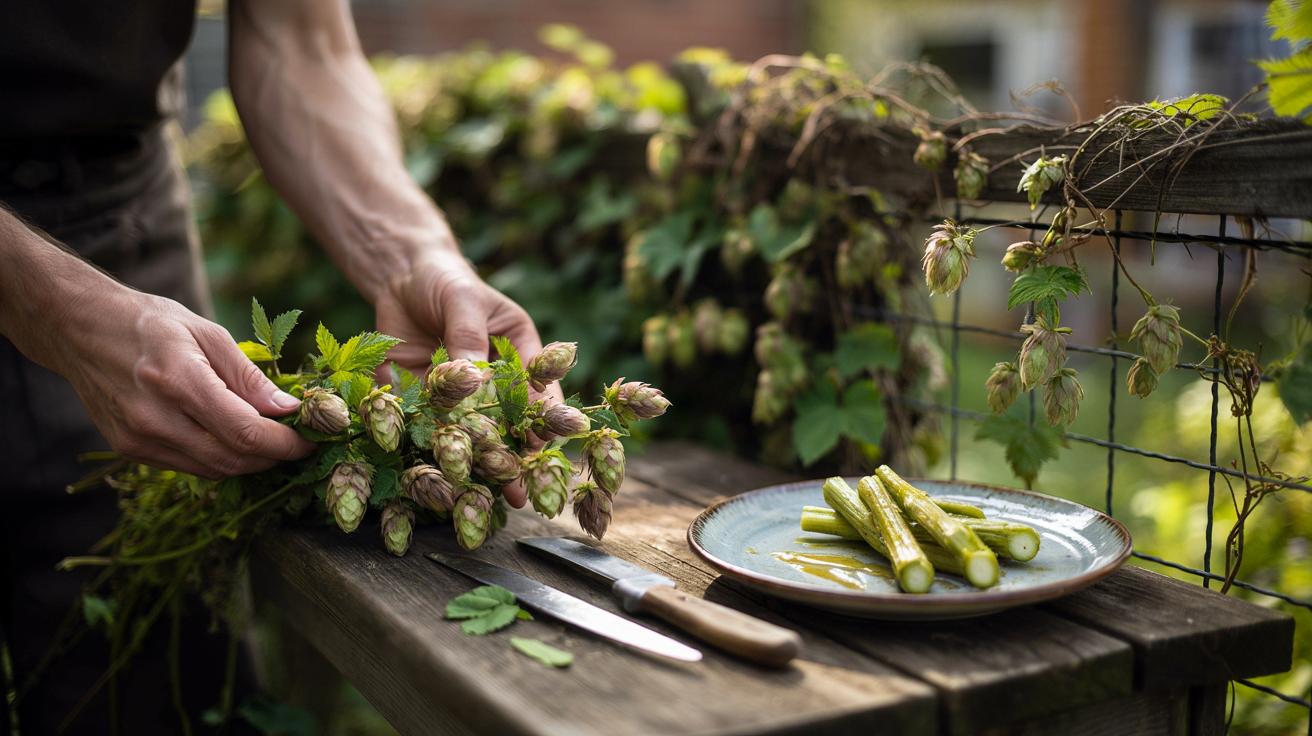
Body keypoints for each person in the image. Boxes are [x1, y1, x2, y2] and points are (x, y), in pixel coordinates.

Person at [0, 1, 553, 732]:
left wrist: (412, 257)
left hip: (116, 199)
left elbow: (299, 41)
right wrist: (54, 307)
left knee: (154, 675)